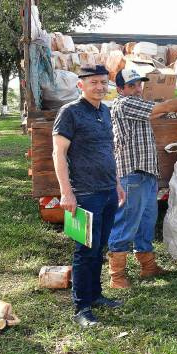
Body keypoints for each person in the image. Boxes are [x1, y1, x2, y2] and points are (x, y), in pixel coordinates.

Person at [107, 67, 177, 289]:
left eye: (139, 84)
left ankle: (148, 266)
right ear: (119, 89)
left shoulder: (137, 104)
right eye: (131, 85)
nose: (137, 89)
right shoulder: (125, 104)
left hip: (145, 173)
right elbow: (163, 107)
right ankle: (117, 275)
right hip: (131, 173)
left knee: (146, 222)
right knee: (126, 222)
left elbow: (159, 111)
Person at [52, 65, 126, 328]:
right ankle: (81, 307)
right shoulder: (69, 112)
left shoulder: (105, 111)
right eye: (94, 82)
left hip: (107, 191)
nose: (100, 87)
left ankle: (95, 296)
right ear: (80, 85)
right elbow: (58, 153)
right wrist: (66, 192)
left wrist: (116, 184)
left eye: (103, 82)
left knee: (99, 248)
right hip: (84, 194)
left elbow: (109, 151)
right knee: (85, 250)